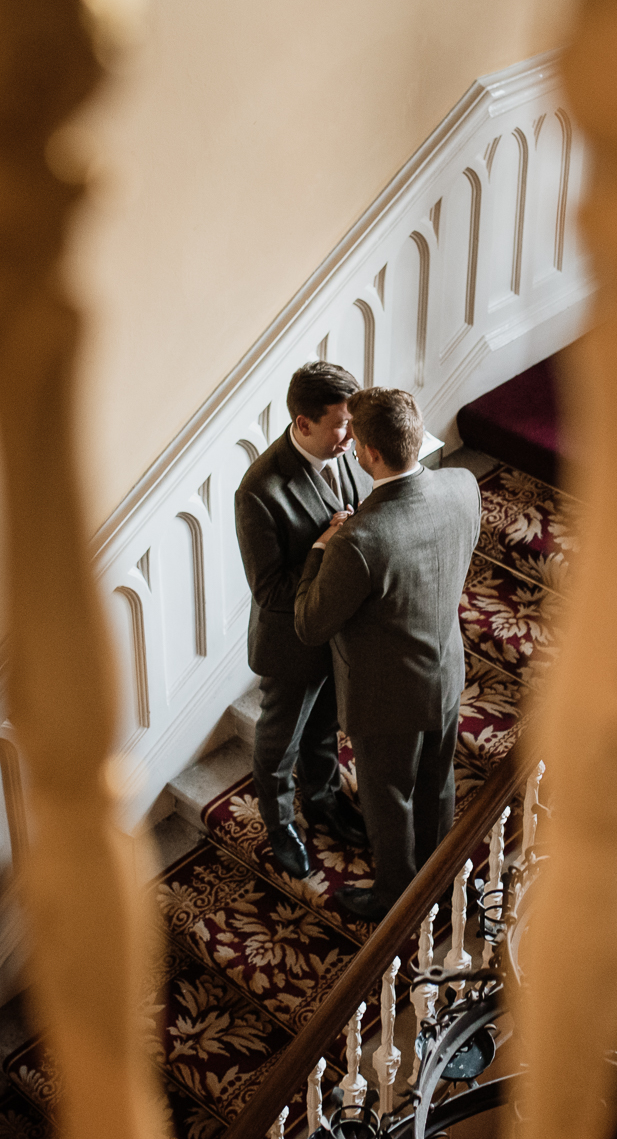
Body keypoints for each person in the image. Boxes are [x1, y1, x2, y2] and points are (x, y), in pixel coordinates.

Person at [294, 387, 480, 922]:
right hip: (445, 670)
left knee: (389, 799)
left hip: (385, 697)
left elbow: (310, 624)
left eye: (354, 436)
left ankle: (397, 896)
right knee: (437, 781)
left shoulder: (359, 540)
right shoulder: (463, 486)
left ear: (369, 454)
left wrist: (319, 551)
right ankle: (440, 875)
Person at [234, 362, 373, 878]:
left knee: (323, 729)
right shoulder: (259, 491)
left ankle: (324, 800)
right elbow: (268, 590)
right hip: (291, 642)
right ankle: (279, 824)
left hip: (336, 632)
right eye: (341, 424)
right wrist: (322, 549)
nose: (352, 435)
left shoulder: (347, 453)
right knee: (280, 744)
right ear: (302, 424)